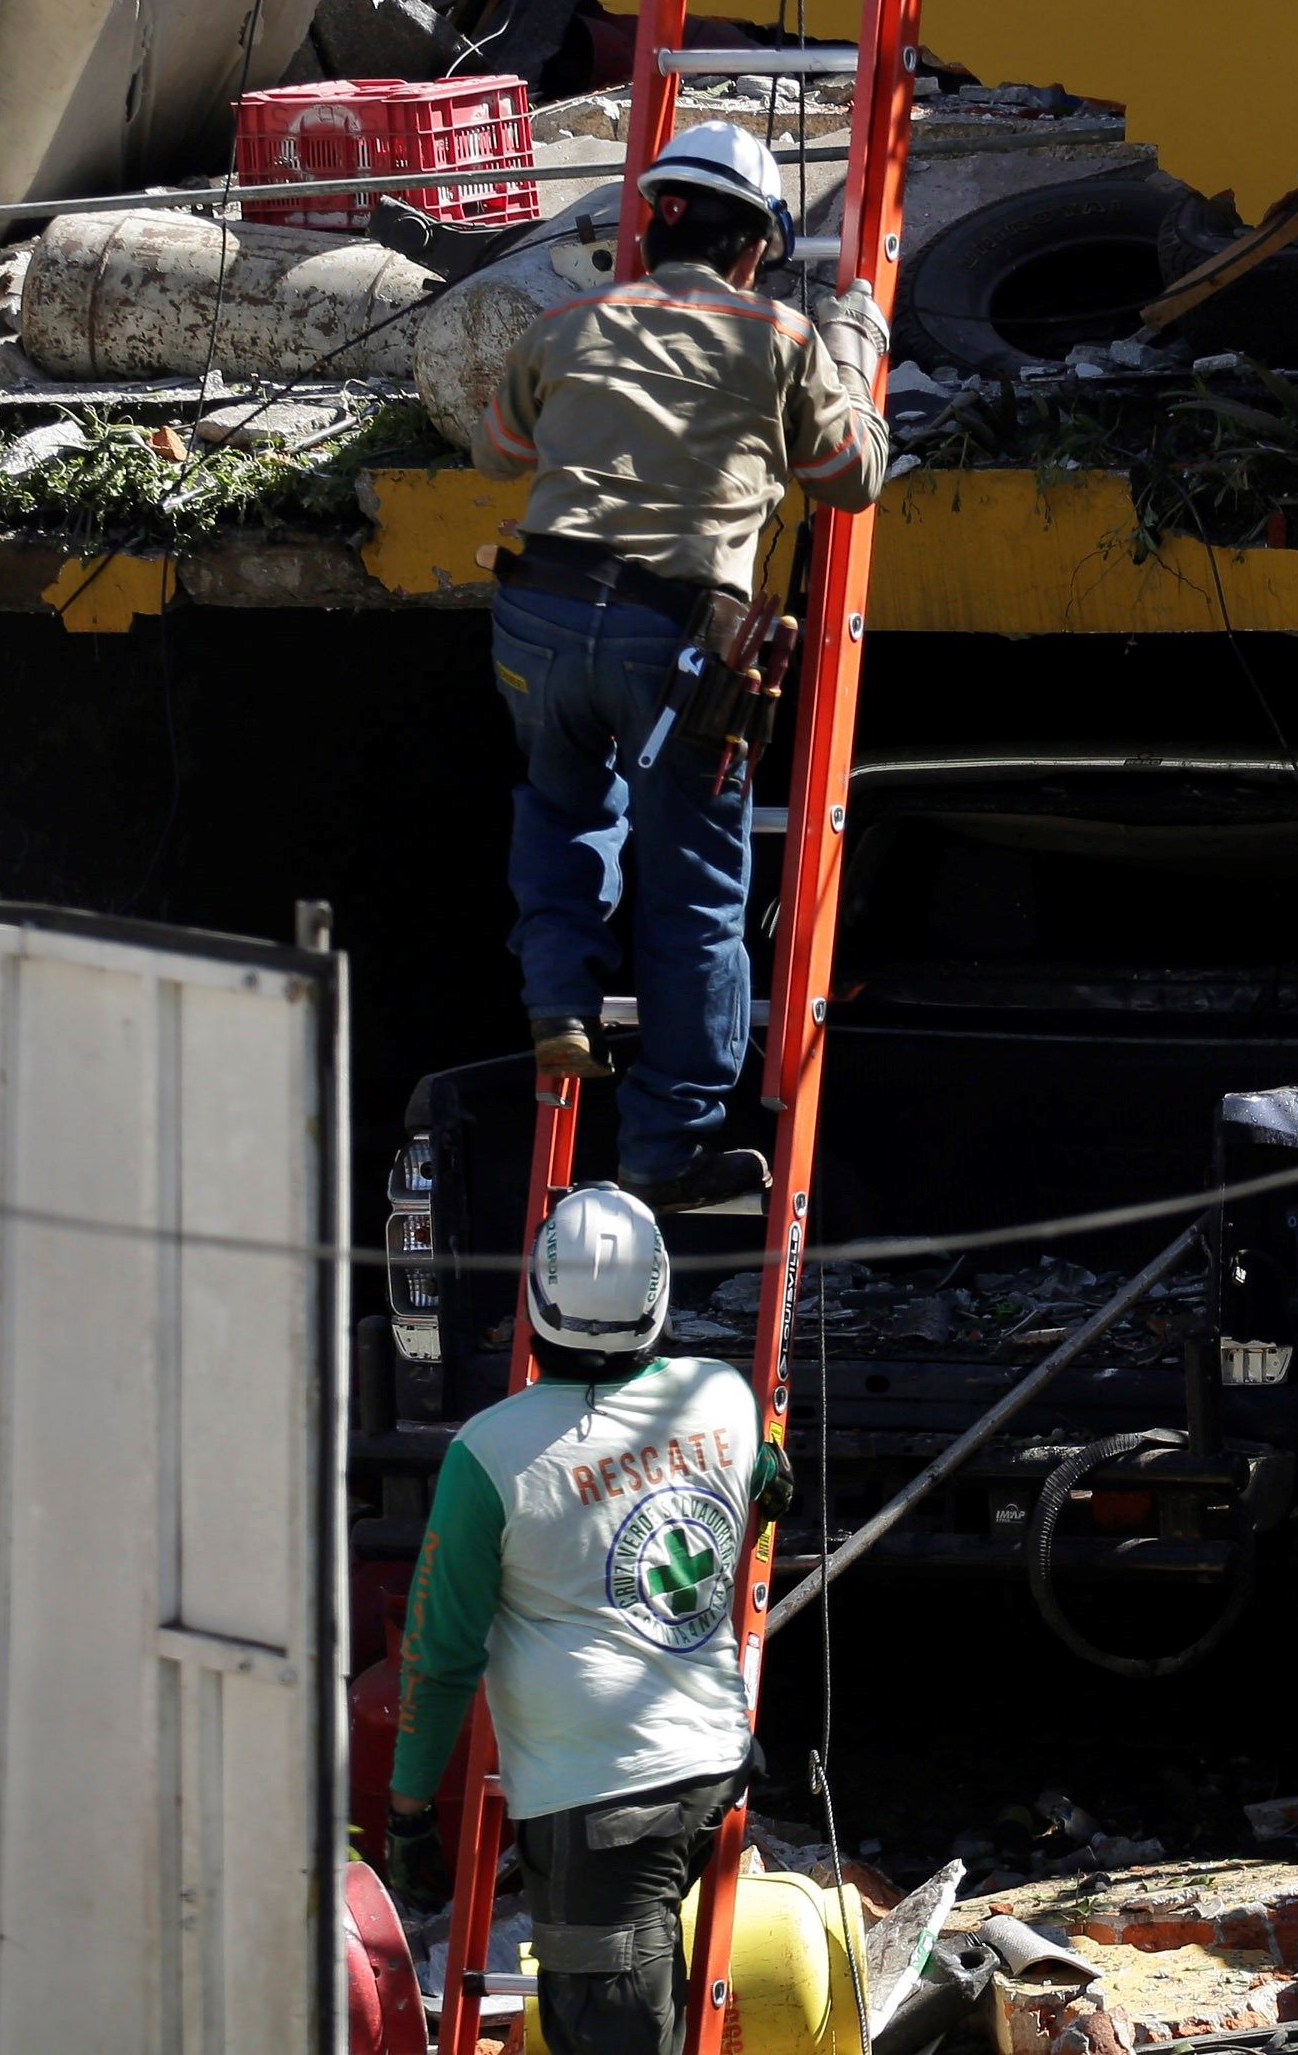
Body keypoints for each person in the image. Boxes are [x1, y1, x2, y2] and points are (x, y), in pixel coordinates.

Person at [478, 121, 887, 1213]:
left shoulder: (564, 324)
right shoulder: (781, 337)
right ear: (754, 248)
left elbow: (497, 452)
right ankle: (668, 1147)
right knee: (695, 891)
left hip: (539, 615)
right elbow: (851, 479)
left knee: (559, 807)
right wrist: (854, 353)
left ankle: (560, 1005)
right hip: (677, 643)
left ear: (651, 231)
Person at [382, 1184, 790, 2055]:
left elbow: (440, 1654)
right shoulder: (722, 1396)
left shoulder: (491, 1453)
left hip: (602, 1798)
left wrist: (410, 1810)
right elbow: (765, 1476)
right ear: (660, 1296)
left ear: (536, 1300)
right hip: (713, 1766)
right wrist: (769, 1476)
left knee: (612, 2033)